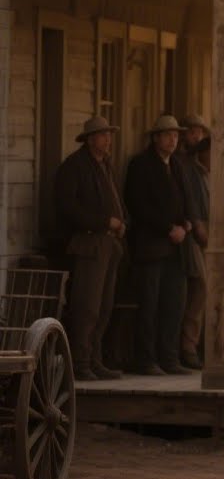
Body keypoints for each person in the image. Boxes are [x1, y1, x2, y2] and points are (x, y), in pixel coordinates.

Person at [53, 116, 127, 381]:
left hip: (109, 242)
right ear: (90, 139)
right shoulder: (74, 166)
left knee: (105, 305)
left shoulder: (105, 165)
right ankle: (81, 362)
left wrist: (121, 224)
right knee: (87, 305)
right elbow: (68, 207)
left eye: (109, 134)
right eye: (103, 135)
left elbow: (116, 199)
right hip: (88, 243)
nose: (108, 140)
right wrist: (104, 221)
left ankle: (95, 359)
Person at [124, 115, 192, 376]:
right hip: (151, 246)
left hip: (176, 248)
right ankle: (146, 360)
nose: (173, 140)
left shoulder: (177, 165)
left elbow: (184, 200)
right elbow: (137, 204)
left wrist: (185, 224)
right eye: (167, 135)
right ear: (155, 138)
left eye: (175, 135)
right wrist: (167, 228)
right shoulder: (141, 165)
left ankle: (169, 358)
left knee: (174, 305)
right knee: (149, 305)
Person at [177, 124, 211, 371]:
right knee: (199, 288)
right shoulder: (190, 170)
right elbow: (191, 201)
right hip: (195, 234)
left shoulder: (211, 175)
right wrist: (198, 225)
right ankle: (188, 346)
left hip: (211, 234)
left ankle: (200, 346)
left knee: (207, 293)